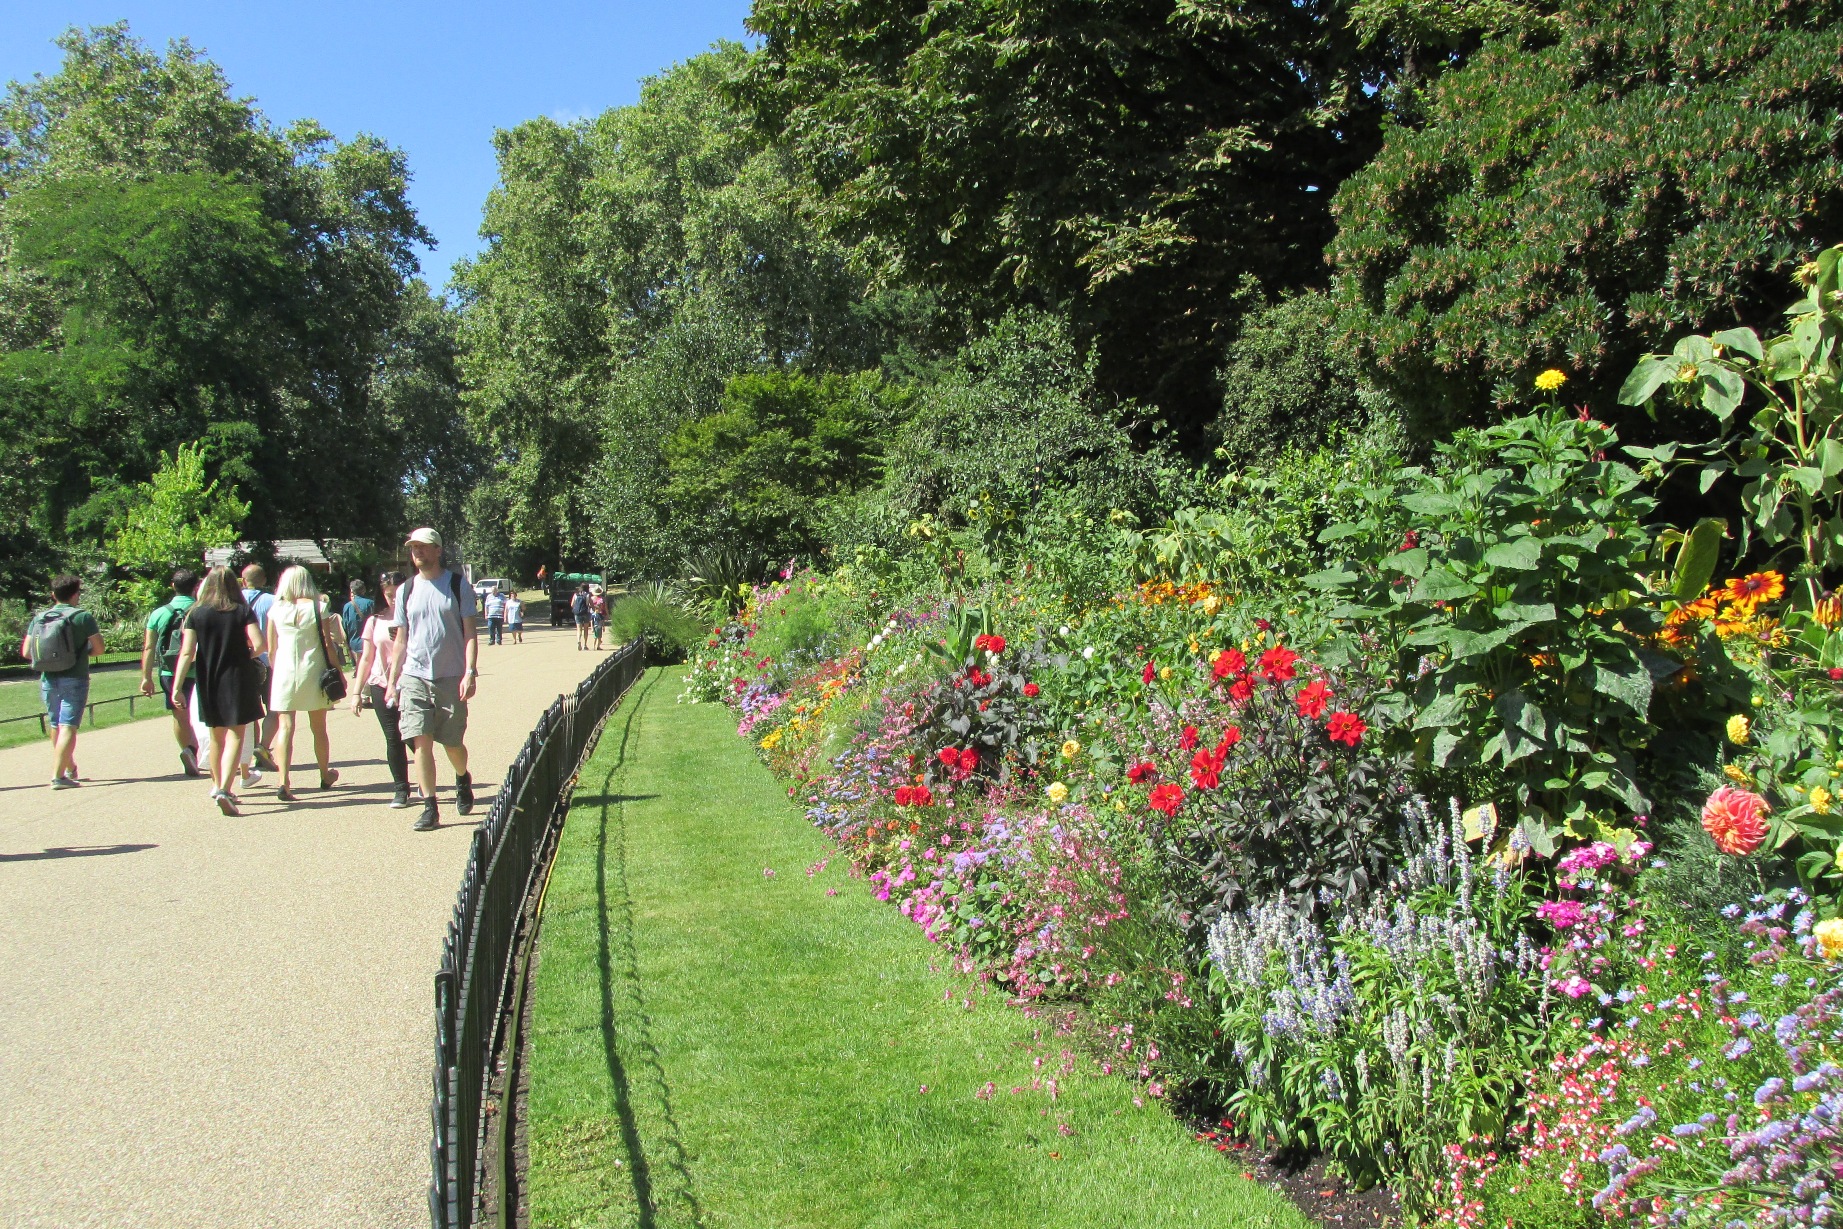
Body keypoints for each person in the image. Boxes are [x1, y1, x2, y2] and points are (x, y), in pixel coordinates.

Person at [385, 528, 480, 832]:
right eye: (414, 547)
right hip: (414, 675)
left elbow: (470, 633)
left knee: (453, 743)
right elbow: (401, 639)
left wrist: (470, 671)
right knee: (420, 742)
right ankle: (430, 807)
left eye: (424, 547)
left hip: (451, 675)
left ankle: (462, 777)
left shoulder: (456, 585)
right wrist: (392, 680)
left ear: (438, 550)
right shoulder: (406, 590)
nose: (418, 552)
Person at [170, 567, 266, 815]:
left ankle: (216, 784)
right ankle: (225, 788)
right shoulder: (242, 610)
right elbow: (259, 644)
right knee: (236, 734)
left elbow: (187, 652)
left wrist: (177, 687)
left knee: (216, 737)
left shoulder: (196, 613)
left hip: (208, 678)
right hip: (238, 677)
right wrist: (243, 654)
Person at [267, 565, 346, 802]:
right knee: (318, 726)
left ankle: (283, 781)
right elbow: (327, 643)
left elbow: (272, 648)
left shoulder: (276, 609)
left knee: (285, 726)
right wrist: (338, 670)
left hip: (284, 671)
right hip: (313, 669)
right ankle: (324, 773)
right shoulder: (318, 607)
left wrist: (276, 669)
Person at [20, 574, 105, 789]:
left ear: (53, 594)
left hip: (48, 677)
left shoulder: (40, 618)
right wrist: (82, 653)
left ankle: (69, 767)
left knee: (55, 724)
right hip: (75, 677)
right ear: (76, 594)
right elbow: (99, 649)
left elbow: (27, 652)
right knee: (68, 725)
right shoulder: (82, 617)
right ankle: (58, 777)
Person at [351, 571, 413, 808]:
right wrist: (357, 692)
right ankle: (401, 789)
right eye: (389, 595)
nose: (394, 599)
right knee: (392, 737)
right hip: (381, 684)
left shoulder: (415, 617)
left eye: (398, 594)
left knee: (414, 736)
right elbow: (366, 658)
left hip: (409, 682)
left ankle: (426, 777)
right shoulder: (374, 621)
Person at [139, 568, 201, 777]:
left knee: (180, 716)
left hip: (169, 670)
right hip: (200, 670)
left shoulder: (159, 613)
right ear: (196, 587)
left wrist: (146, 677)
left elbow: (149, 647)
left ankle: (188, 751)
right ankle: (206, 752)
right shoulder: (201, 609)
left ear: (173, 586)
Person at [241, 563, 280, 771]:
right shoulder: (273, 601)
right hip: (269, 661)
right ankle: (263, 746)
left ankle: (249, 750)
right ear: (264, 580)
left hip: (244, 662)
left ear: (243, 580)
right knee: (274, 708)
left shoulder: (234, 601)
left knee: (250, 711)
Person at [340, 579, 375, 662]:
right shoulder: (371, 603)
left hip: (354, 643)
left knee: (359, 665)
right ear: (364, 590)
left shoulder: (347, 606)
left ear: (352, 591)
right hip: (370, 642)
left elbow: (345, 626)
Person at [571, 583, 592, 650]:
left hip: (577, 613)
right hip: (586, 613)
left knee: (579, 629)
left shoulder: (576, 594)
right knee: (586, 629)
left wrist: (577, 608)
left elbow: (572, 604)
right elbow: (590, 604)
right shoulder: (587, 595)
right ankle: (585, 645)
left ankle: (579, 641)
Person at [590, 586, 608, 650]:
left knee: (596, 634)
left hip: (593, 613)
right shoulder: (602, 599)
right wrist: (607, 614)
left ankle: (596, 644)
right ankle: (598, 643)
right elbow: (605, 607)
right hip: (601, 613)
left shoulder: (591, 598)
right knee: (600, 630)